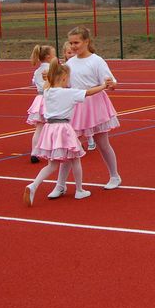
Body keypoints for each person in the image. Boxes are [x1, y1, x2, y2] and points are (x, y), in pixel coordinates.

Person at [23, 58, 111, 206]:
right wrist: (103, 86)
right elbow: (88, 92)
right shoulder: (68, 93)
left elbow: (48, 83)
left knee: (52, 164)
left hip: (49, 129)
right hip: (63, 128)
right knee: (75, 159)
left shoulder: (47, 91)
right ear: (64, 78)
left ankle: (33, 185)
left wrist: (49, 75)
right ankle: (79, 189)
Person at [49, 26, 120, 199]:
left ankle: (114, 176)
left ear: (86, 42)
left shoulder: (96, 61)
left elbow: (111, 81)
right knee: (70, 146)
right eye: (71, 43)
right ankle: (60, 185)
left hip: (95, 105)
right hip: (77, 106)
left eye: (77, 42)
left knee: (102, 142)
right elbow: (65, 85)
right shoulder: (70, 63)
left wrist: (111, 84)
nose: (73, 46)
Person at [62, 41, 95, 151]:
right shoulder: (64, 67)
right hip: (71, 98)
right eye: (68, 52)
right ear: (65, 54)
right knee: (74, 122)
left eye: (72, 52)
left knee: (85, 120)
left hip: (81, 96)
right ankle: (76, 143)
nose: (71, 54)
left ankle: (90, 139)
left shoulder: (79, 64)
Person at [27, 45, 55, 164]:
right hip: (50, 98)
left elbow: (34, 82)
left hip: (39, 99)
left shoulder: (37, 71)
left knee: (39, 128)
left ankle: (34, 152)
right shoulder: (53, 68)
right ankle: (54, 149)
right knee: (55, 126)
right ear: (49, 57)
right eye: (54, 54)